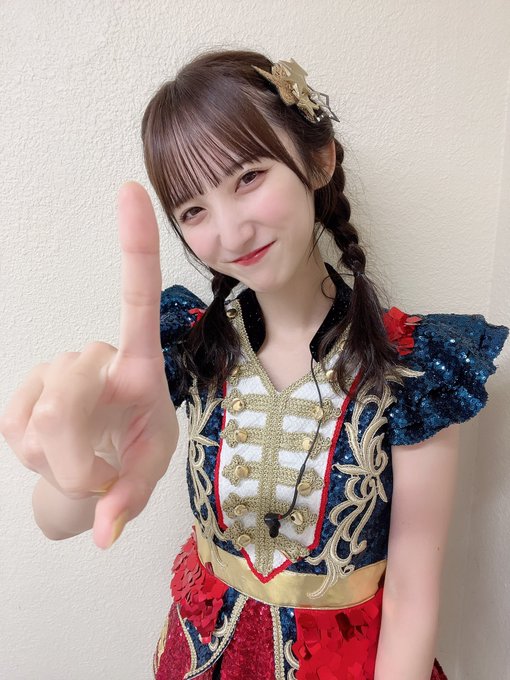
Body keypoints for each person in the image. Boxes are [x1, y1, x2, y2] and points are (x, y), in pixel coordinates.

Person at [1, 49, 508, 680]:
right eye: (193, 210)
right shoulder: (192, 345)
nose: (231, 232)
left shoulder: (411, 364)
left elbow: (412, 599)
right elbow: (57, 522)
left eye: (247, 178)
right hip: (199, 658)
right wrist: (80, 463)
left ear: (318, 160)